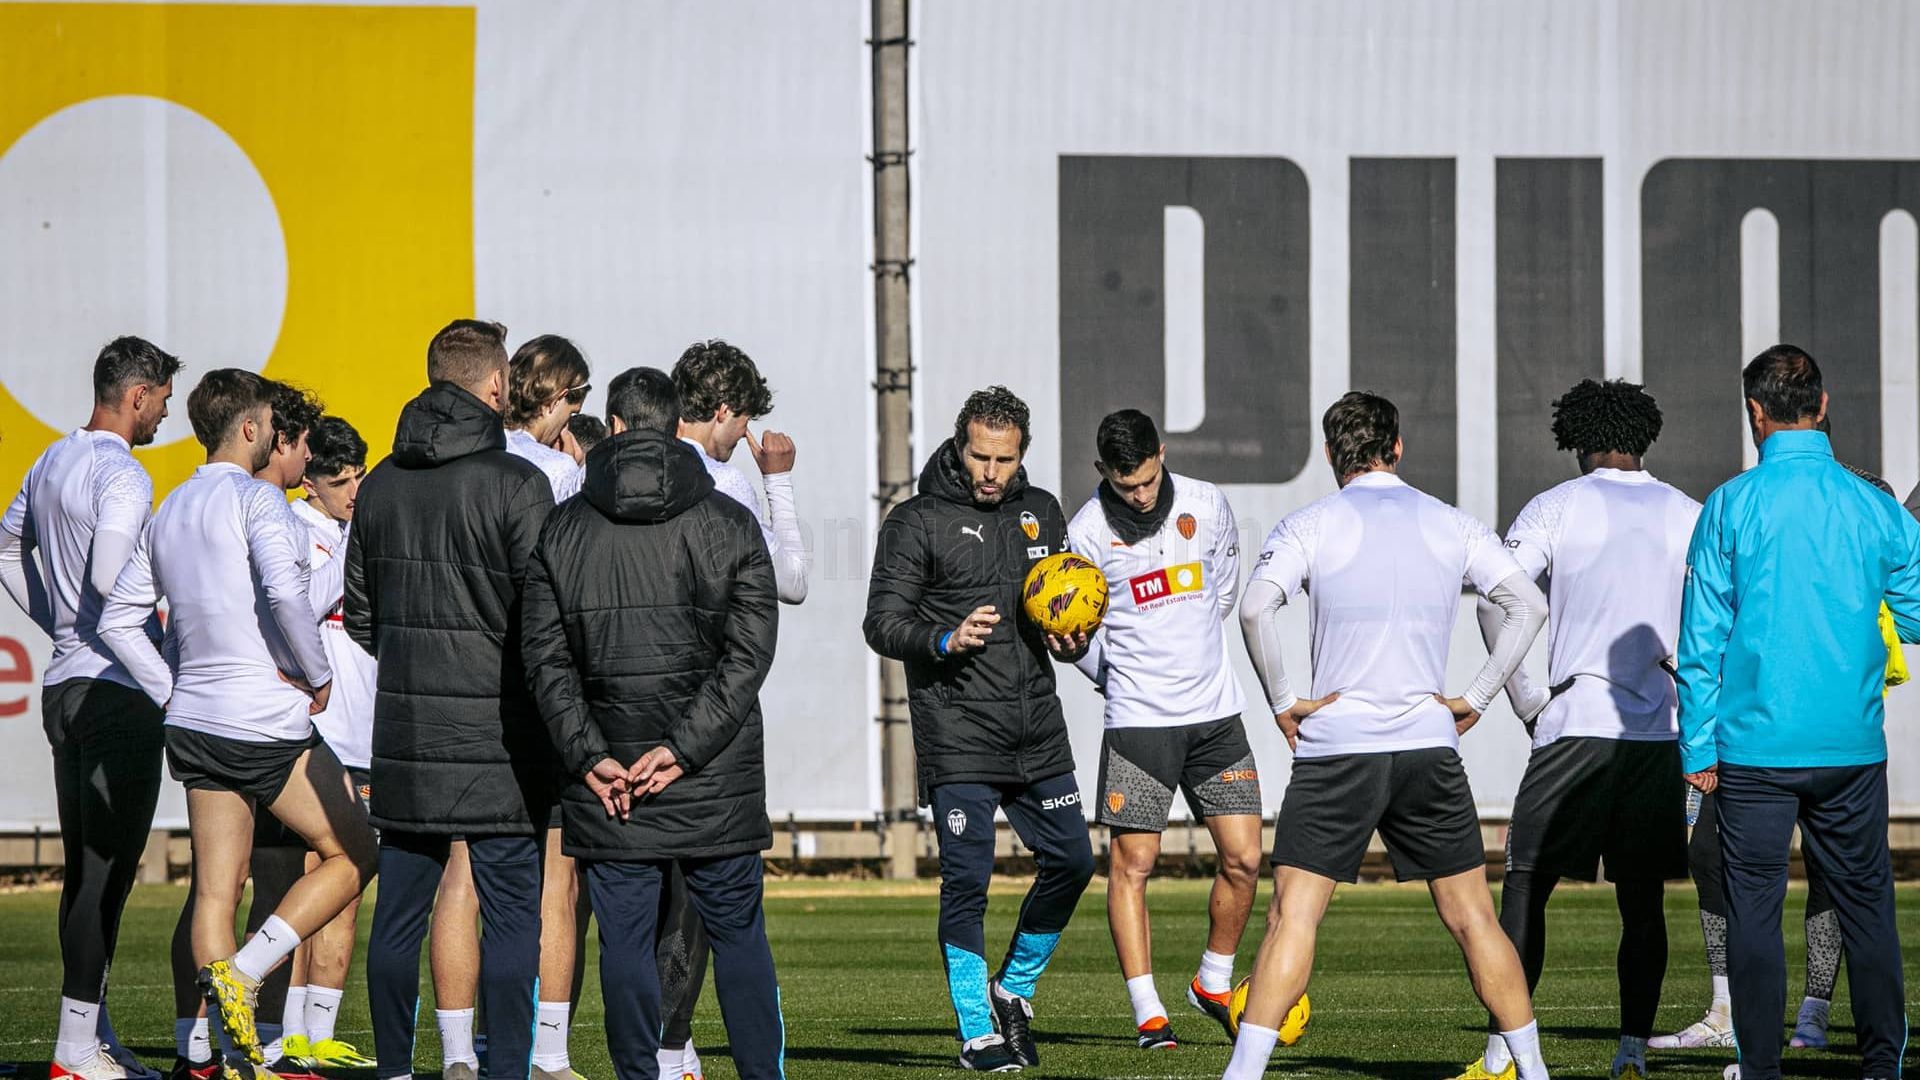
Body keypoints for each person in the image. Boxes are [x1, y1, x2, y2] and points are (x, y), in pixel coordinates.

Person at [1226, 391, 1549, 1080]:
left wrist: (1284, 703)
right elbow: (1529, 604)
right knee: (1473, 920)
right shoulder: (1451, 523)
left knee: (1294, 917)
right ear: (1397, 448)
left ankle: (1242, 1076)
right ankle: (1533, 1070)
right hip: (1428, 745)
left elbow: (1256, 608)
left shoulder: (1312, 523)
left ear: (1328, 454)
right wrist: (1478, 697)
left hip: (1338, 748)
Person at [98, 368, 377, 1076]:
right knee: (356, 853)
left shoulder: (170, 509)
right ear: (251, 427)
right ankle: (246, 973)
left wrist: (173, 689)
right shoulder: (258, 501)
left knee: (217, 890)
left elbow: (118, 621)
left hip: (195, 724)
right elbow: (288, 595)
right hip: (263, 723)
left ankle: (227, 1052)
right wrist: (316, 674)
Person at [522, 366, 783, 1080]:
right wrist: (684, 750)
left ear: (610, 427)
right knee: (737, 937)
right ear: (675, 428)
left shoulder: (563, 529)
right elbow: (750, 654)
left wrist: (588, 755)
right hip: (711, 771)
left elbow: (544, 661)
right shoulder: (729, 520)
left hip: (614, 778)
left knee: (626, 943)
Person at [1676, 344, 1919, 1080]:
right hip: (1849, 744)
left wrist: (1696, 750)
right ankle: (1882, 1065)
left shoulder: (1730, 504)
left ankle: (1761, 1069)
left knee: (1754, 912)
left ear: (1755, 413)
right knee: (1868, 906)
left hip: (1753, 748)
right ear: (1824, 403)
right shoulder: (1873, 506)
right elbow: (1914, 611)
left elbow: (1700, 641)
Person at [1455, 379, 1698, 1080]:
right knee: (1642, 900)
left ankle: (1504, 1052)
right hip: (1658, 733)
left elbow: (1499, 603)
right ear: (1643, 436)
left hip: (1573, 727)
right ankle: (1631, 1054)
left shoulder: (1557, 507)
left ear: (1579, 439)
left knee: (1526, 885)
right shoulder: (1690, 512)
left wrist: (1528, 699)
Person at [347, 320, 557, 1080]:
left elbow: (361, 617)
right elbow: (546, 621)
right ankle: (505, 1070)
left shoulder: (380, 484)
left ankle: (396, 1072)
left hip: (406, 731)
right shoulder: (518, 483)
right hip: (501, 740)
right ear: (497, 385)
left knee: (398, 919)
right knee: (511, 918)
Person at [864, 386, 1096, 1073]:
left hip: (1036, 729)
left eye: (1005, 458)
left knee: (1075, 862)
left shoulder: (1042, 512)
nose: (991, 472)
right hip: (957, 730)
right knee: (967, 884)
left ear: (1021, 452)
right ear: (959, 447)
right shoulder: (917, 520)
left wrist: (1071, 639)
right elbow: (881, 623)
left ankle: (1013, 988)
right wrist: (945, 638)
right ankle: (977, 1034)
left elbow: (1060, 607)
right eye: (979, 456)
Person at [0, 337, 179, 1080]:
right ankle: (75, 1050)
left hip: (66, 683)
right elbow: (110, 580)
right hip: (115, 689)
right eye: (164, 398)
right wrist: (167, 687)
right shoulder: (123, 475)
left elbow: (8, 546)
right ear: (136, 396)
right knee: (104, 871)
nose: (167, 411)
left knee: (87, 869)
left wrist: (56, 623)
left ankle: (89, 1034)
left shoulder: (51, 460)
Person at [1060, 409, 1262, 1050]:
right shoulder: (1086, 532)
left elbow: (1223, 595)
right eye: (1128, 487)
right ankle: (1149, 1013)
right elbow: (1079, 633)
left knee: (1246, 858)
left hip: (1215, 719)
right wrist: (1113, 674)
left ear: (1162, 455)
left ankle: (1213, 980)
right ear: (1103, 474)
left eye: (1149, 480)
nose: (1142, 496)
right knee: (1133, 865)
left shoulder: (1207, 504)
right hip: (1139, 724)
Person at [659, 339, 811, 1080]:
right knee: (716, 900)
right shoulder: (728, 485)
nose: (745, 435)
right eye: (742, 419)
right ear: (722, 412)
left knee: (626, 900)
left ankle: (642, 1050)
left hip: (619, 713)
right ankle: (678, 1043)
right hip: (705, 722)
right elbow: (791, 580)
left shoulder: (623, 464)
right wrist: (776, 481)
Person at [498, 334, 595, 1080]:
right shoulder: (560, 470)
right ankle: (550, 1055)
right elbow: (576, 576)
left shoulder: (479, 461)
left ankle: (470, 1050)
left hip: (476, 690)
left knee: (475, 880)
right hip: (549, 688)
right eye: (577, 398)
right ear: (558, 396)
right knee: (557, 881)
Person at [281, 416, 379, 1071]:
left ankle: (320, 1033)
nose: (352, 491)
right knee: (309, 881)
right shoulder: (292, 530)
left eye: (359, 478)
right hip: (316, 732)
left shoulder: (362, 530)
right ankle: (289, 1032)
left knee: (349, 884)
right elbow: (296, 614)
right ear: (310, 483)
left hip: (369, 728)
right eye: (339, 481)